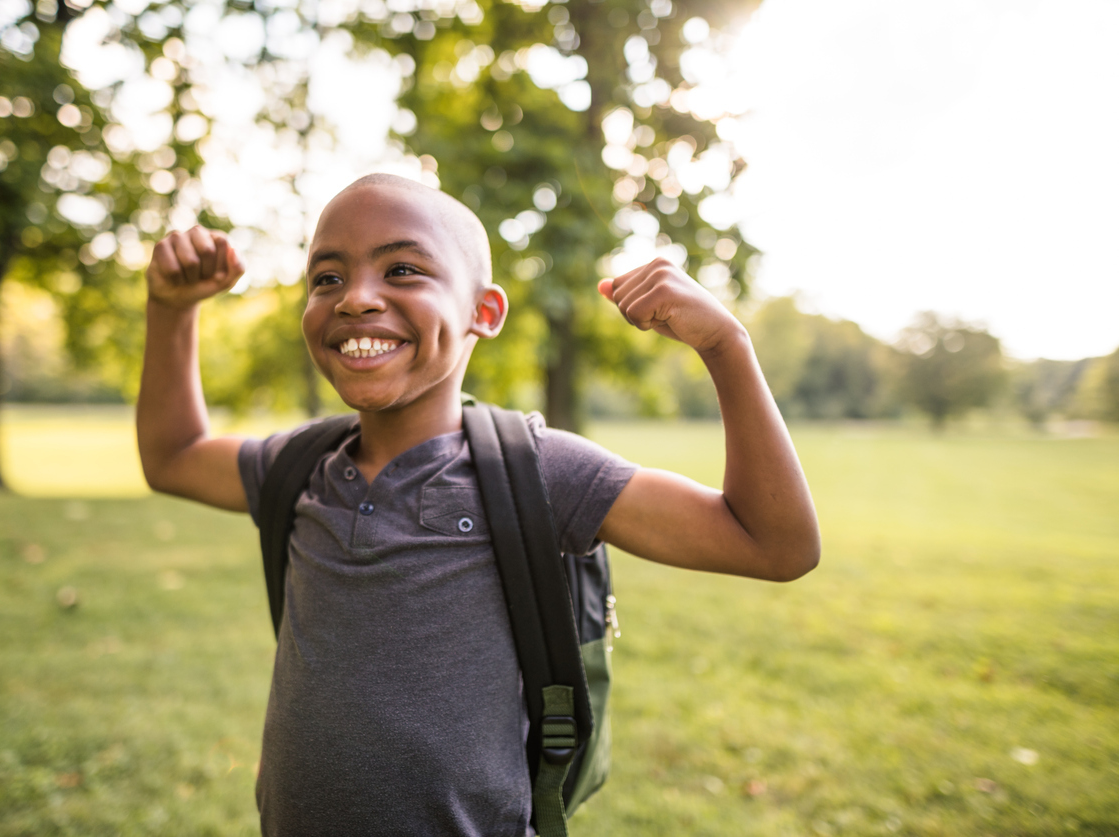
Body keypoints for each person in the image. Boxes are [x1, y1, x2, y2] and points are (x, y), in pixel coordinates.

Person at [136, 173, 820, 836]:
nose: (355, 299)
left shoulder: (541, 471)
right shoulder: (300, 468)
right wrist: (171, 307)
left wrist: (726, 345)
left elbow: (773, 543)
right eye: (327, 277)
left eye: (402, 269)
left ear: (483, 313)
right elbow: (173, 456)